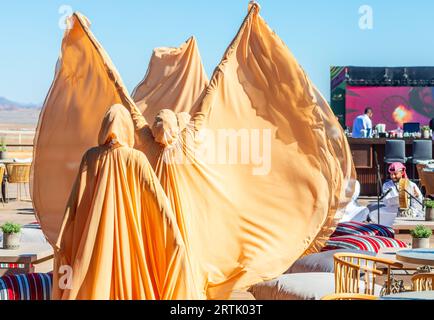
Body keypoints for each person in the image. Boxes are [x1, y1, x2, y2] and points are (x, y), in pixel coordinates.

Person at [52, 104, 204, 300]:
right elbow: (159, 204)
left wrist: (63, 237)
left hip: (94, 243)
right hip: (130, 241)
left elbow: (74, 202)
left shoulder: (90, 157)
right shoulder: (136, 159)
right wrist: (174, 235)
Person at [369, 162, 423, 227]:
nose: (393, 176)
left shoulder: (411, 185)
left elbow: (419, 202)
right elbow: (386, 202)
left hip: (409, 211)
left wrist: (417, 196)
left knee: (422, 213)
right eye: (391, 174)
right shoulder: (387, 185)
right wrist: (400, 197)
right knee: (374, 214)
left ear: (402, 172)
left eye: (395, 174)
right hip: (392, 211)